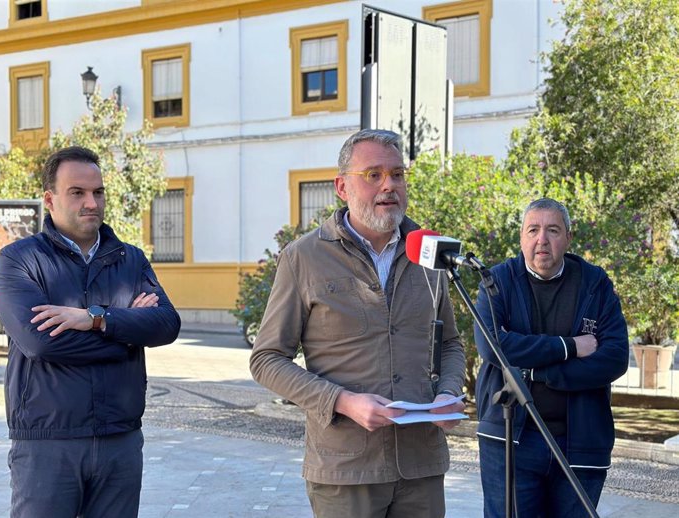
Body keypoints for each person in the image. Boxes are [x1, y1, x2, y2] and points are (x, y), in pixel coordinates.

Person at [250, 129, 466, 518]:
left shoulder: (428, 252)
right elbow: (266, 359)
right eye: (373, 175)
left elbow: (449, 342)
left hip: (422, 466)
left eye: (398, 174)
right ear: (341, 187)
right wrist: (343, 402)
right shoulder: (304, 258)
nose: (389, 186)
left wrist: (448, 393)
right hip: (345, 471)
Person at [0, 146, 181, 518]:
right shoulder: (19, 259)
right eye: (77, 193)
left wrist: (95, 318)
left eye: (98, 192)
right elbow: (42, 343)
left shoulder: (131, 259)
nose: (91, 202)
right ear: (50, 199)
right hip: (48, 443)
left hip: (120, 440)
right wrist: (128, 335)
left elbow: (166, 324)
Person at [474, 197, 629, 517]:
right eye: (533, 230)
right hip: (511, 440)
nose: (542, 239)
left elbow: (615, 357)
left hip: (579, 442)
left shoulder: (594, 283)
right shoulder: (497, 281)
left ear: (569, 238)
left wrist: (539, 373)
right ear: (521, 238)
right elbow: (492, 346)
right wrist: (569, 347)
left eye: (553, 230)